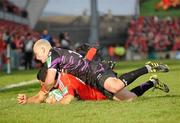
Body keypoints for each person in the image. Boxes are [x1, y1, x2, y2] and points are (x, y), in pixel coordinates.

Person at [31, 39, 169, 102]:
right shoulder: (57, 54)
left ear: (43, 49)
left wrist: (43, 92)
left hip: (95, 71)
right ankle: (152, 82)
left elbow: (49, 81)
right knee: (129, 99)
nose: (37, 58)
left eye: (37, 54)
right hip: (92, 80)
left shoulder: (51, 55)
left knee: (115, 86)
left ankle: (149, 67)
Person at [17, 65, 169, 104]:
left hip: (101, 91)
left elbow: (68, 99)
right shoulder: (51, 82)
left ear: (47, 79)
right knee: (130, 97)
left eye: (41, 83)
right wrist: (27, 100)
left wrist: (53, 103)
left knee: (130, 98)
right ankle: (153, 81)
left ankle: (150, 75)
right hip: (97, 85)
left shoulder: (66, 80)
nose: (42, 86)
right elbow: (40, 96)